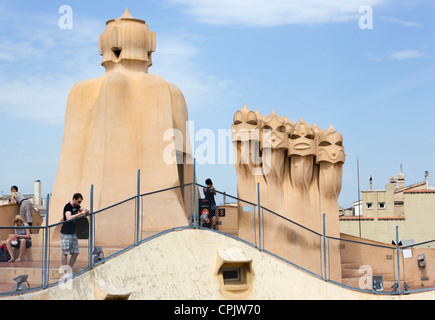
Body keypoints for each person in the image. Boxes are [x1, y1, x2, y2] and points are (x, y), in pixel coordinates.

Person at [60, 193, 89, 270]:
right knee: (65, 252)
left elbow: (82, 209)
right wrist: (80, 214)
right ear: (74, 199)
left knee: (76, 252)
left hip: (72, 232)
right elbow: (68, 218)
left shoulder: (76, 206)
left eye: (80, 202)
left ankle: (69, 269)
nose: (79, 203)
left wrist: (86, 211)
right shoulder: (68, 207)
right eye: (79, 201)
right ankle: (65, 271)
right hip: (66, 232)